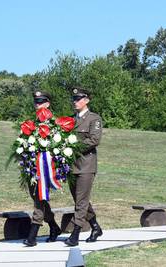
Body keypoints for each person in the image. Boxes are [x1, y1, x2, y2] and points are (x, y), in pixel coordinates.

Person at [65, 87, 103, 246]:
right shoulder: (70, 120)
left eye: (78, 99)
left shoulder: (94, 119)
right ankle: (95, 227)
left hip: (86, 166)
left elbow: (94, 140)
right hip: (72, 166)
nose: (75, 102)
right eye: (74, 99)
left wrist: (73, 146)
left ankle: (75, 234)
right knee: (80, 200)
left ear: (86, 100)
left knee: (81, 201)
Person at [23, 90, 62, 247]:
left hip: (47, 168)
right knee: (38, 197)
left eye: (40, 102)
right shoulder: (33, 123)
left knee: (40, 199)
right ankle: (54, 227)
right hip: (33, 168)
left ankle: (32, 235)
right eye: (36, 102)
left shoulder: (54, 123)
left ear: (47, 103)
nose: (37, 105)